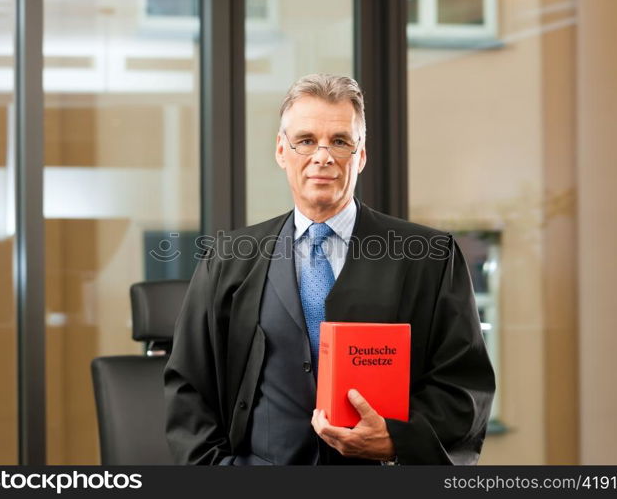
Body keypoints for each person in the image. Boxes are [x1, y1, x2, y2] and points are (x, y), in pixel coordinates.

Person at [164, 74, 495, 465]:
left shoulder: (429, 257)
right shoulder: (228, 259)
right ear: (281, 151)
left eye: (340, 141)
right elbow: (190, 391)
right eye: (305, 141)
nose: (323, 156)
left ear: (362, 155)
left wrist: (395, 441)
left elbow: (464, 388)